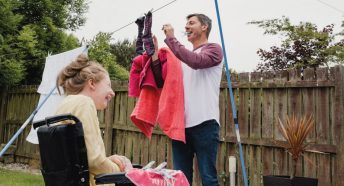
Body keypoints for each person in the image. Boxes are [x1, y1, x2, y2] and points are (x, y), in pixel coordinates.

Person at [161, 13, 224, 185]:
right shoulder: (181, 59)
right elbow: (163, 80)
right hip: (180, 126)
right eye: (186, 24)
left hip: (205, 123)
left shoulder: (214, 50)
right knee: (181, 179)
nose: (186, 27)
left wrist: (172, 39)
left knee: (208, 178)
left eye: (191, 23)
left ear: (204, 27)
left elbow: (196, 62)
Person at [56, 54, 132, 186]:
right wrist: (122, 171)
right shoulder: (84, 103)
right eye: (108, 85)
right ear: (91, 83)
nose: (112, 92)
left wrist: (108, 160)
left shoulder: (65, 105)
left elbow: (82, 161)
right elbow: (94, 161)